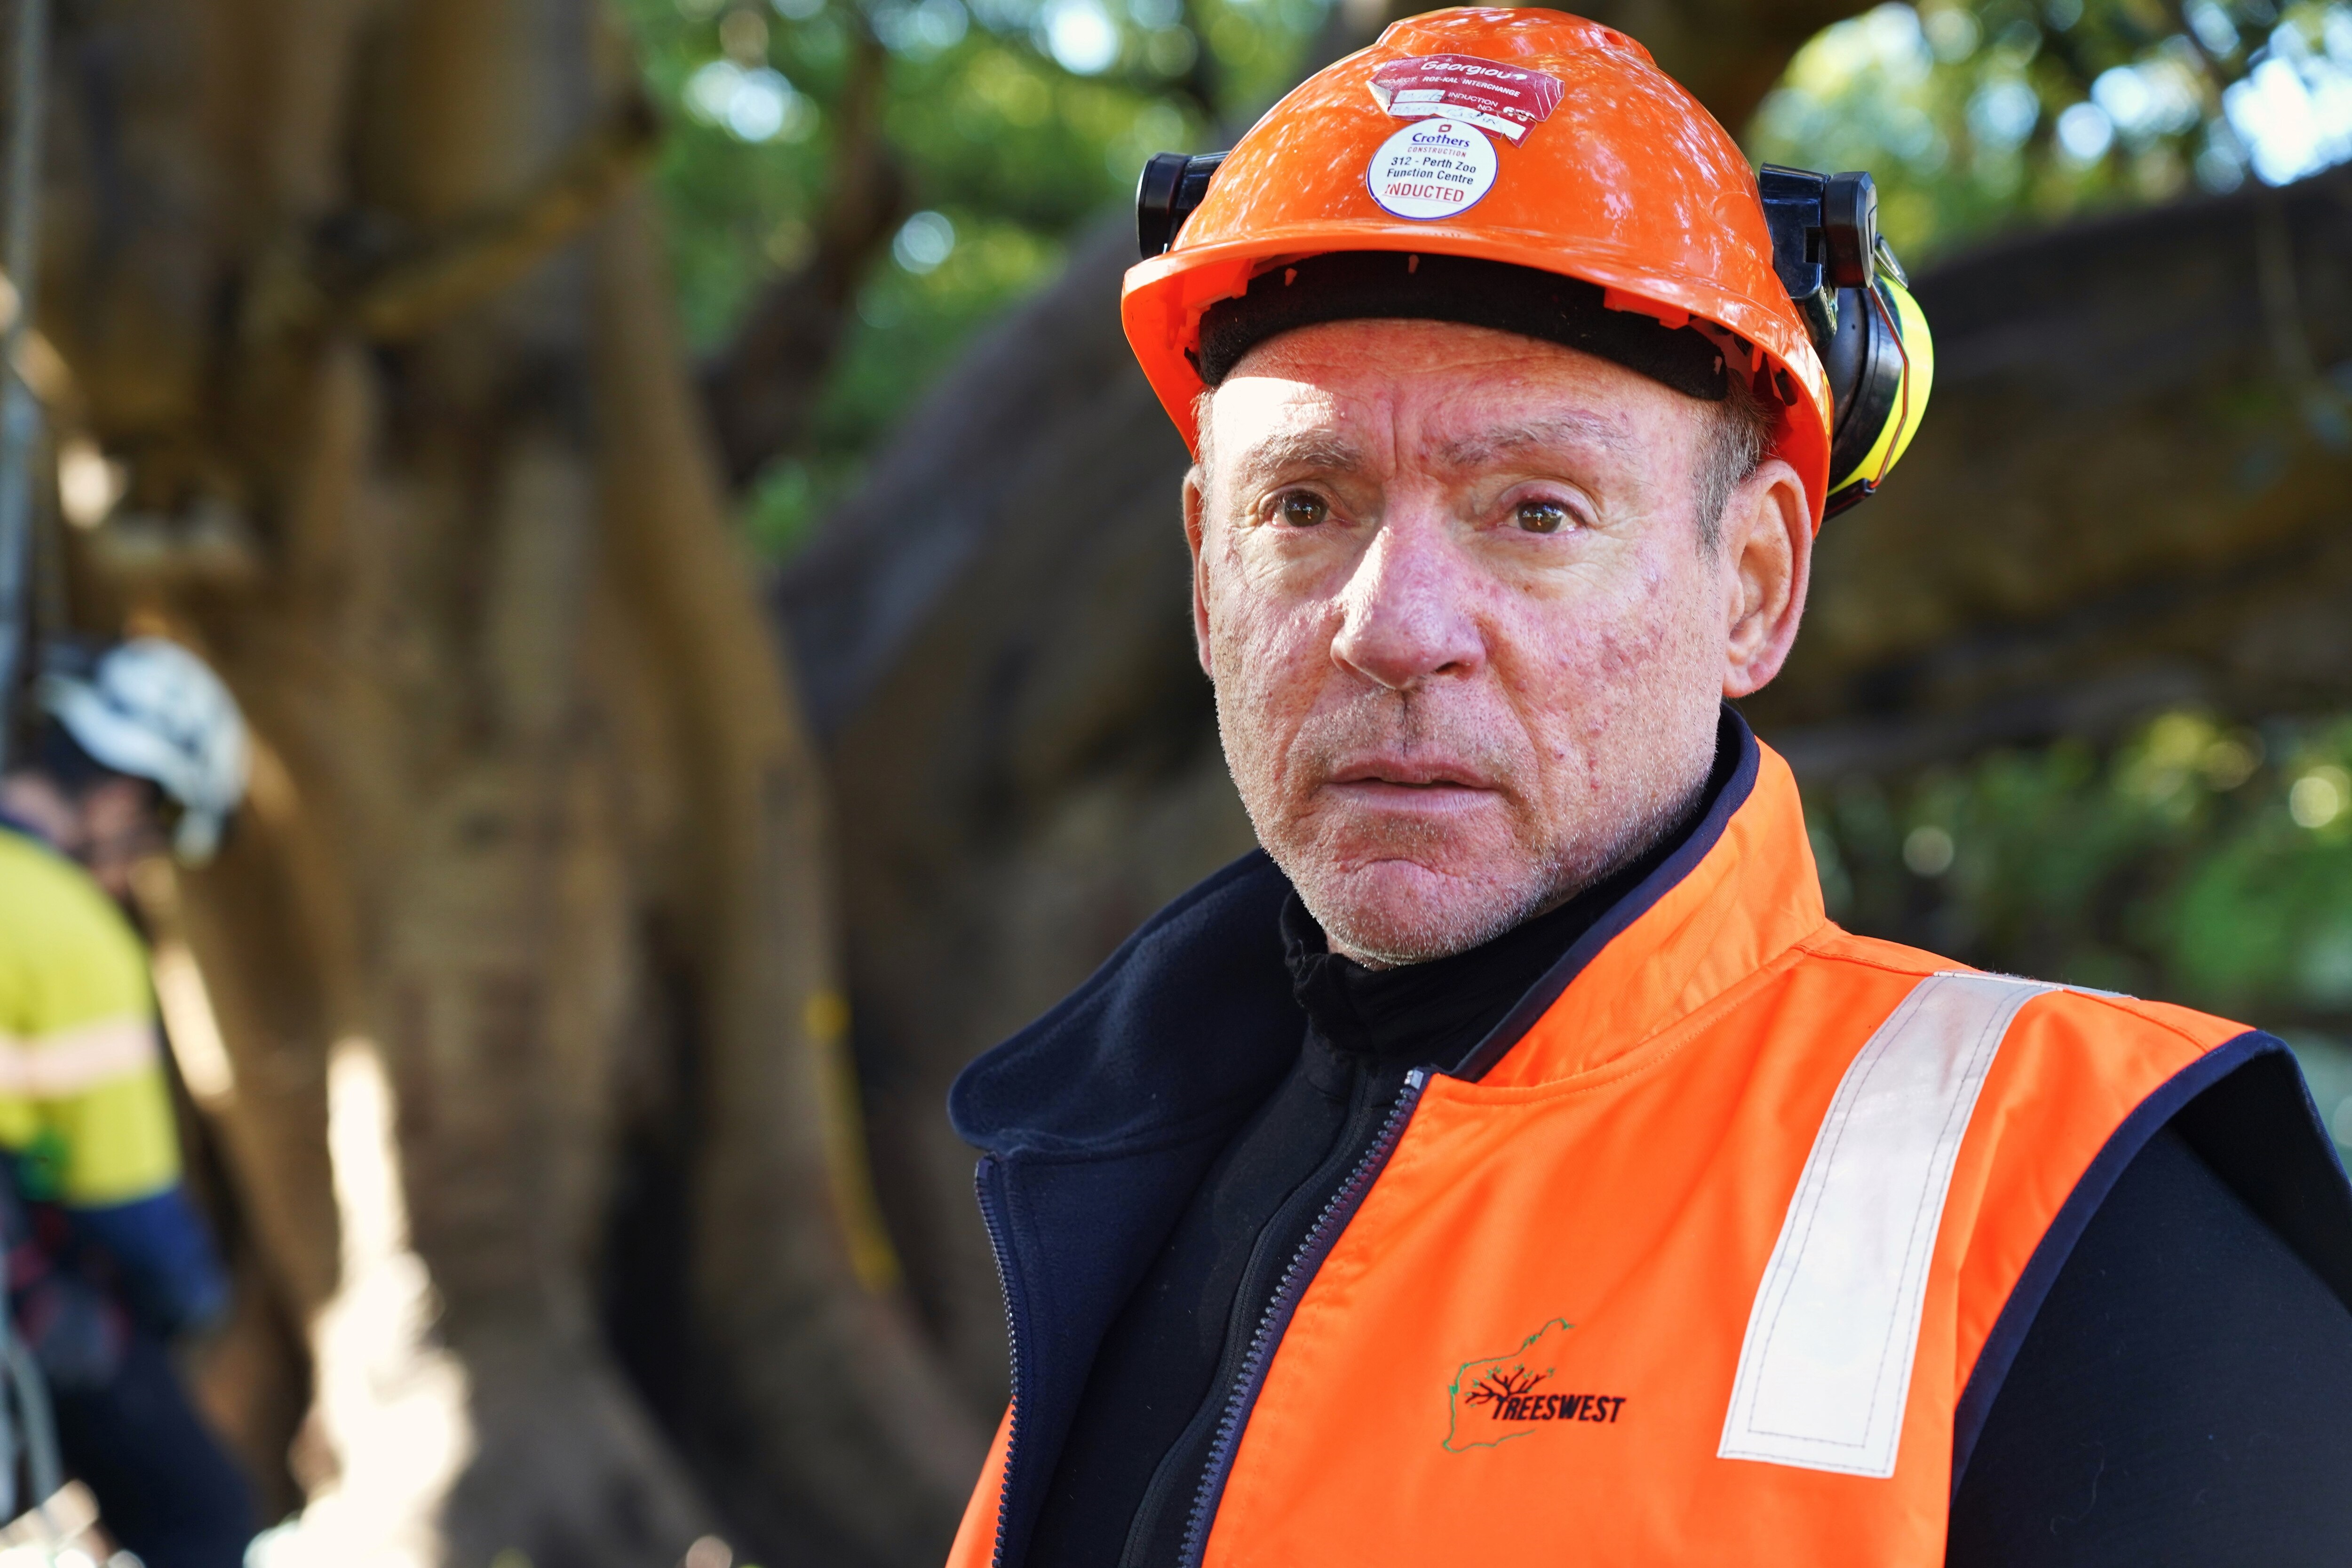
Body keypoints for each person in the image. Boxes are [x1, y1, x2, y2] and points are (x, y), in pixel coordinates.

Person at [943, 10, 2352, 1567]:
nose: (1395, 625)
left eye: (1534, 511)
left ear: (1753, 585)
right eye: (1306, 503)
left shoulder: (2071, 1200)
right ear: (1208, 580)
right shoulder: (1123, 1165)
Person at [0, 637, 255, 1567]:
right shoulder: (72, 934)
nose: (134, 869)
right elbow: (129, 1203)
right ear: (117, 797)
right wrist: (194, 1297)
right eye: (149, 836)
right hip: (23, 1289)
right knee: (204, 1513)